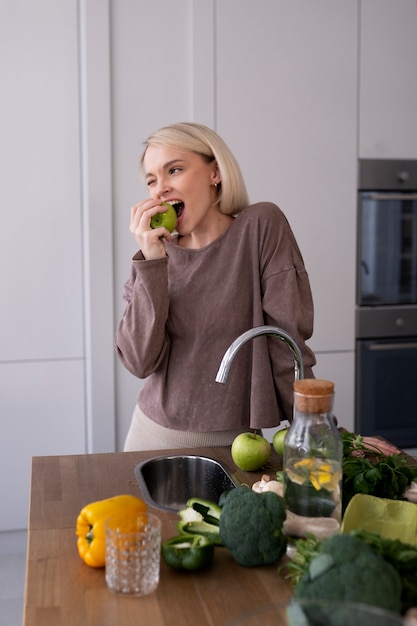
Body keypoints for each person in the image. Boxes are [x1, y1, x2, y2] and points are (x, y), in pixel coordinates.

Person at [115, 121, 399, 457]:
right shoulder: (154, 257)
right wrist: (151, 262)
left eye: (173, 170)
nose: (159, 189)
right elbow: (138, 362)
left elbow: (287, 345)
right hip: (151, 437)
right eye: (151, 180)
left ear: (215, 172)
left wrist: (328, 433)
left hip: (237, 446)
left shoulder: (260, 226)